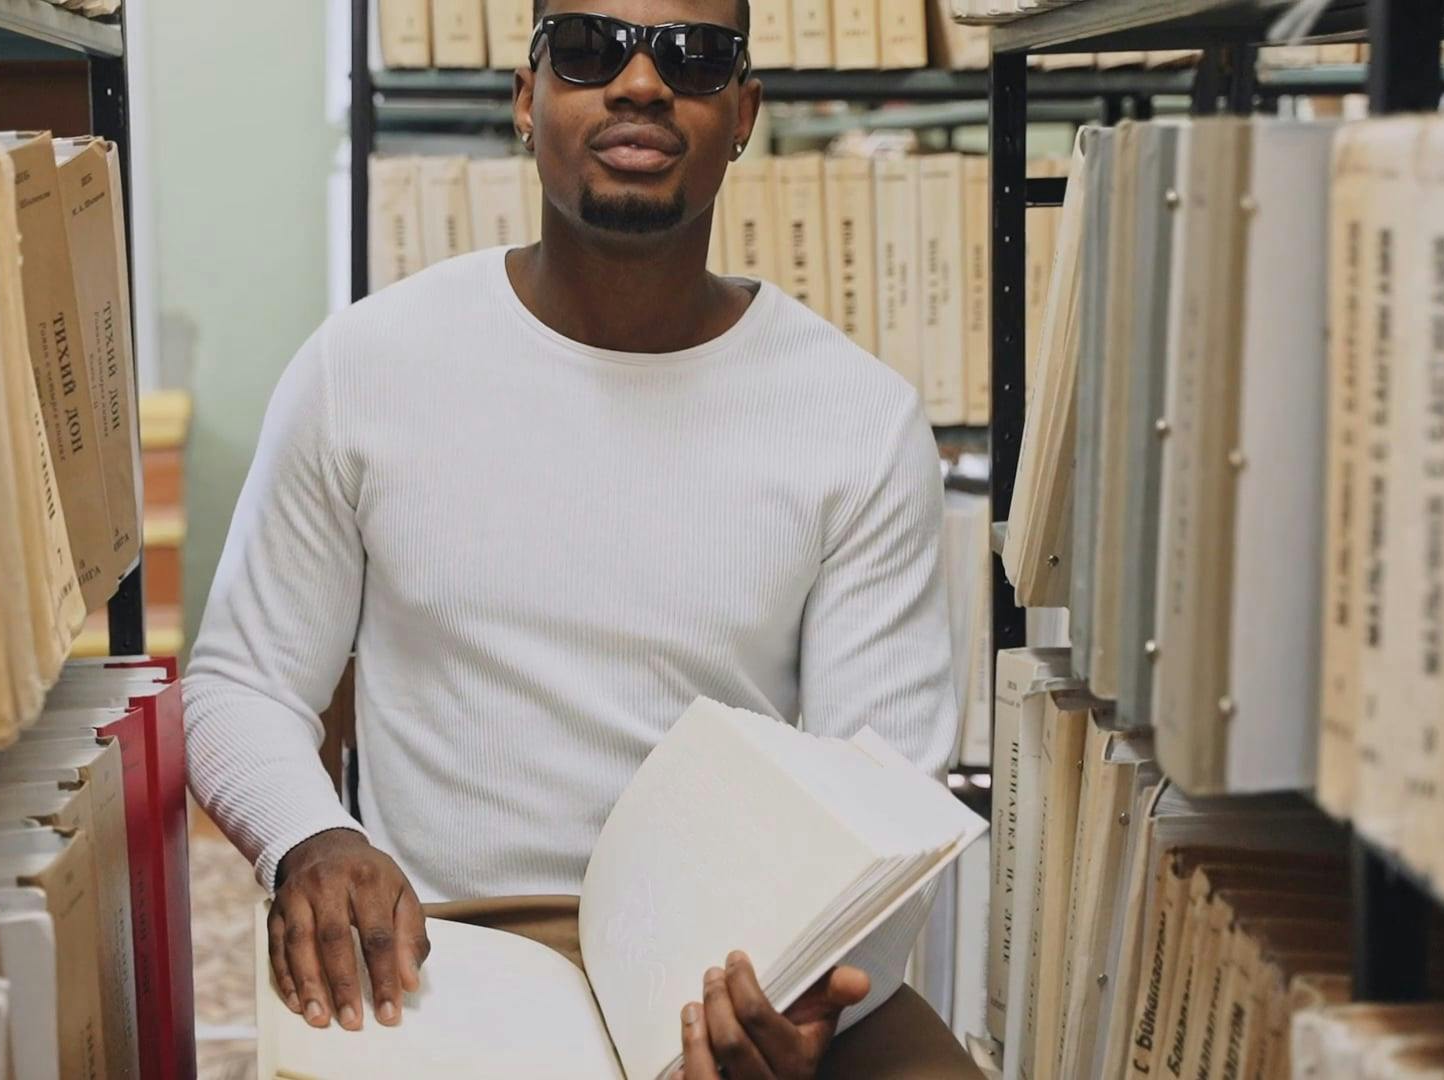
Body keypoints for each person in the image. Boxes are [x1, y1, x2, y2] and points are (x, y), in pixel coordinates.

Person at [182, 0, 959, 1074]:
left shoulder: (858, 419)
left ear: (743, 114)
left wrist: (792, 995)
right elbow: (240, 681)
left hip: (744, 973)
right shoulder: (363, 369)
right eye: (590, 49)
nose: (641, 85)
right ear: (524, 98)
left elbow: (884, 796)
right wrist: (311, 839)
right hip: (444, 950)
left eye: (693, 59)